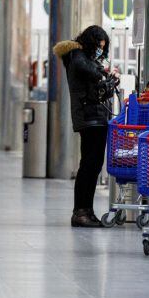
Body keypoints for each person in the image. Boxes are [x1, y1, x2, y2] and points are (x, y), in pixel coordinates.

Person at [54, 25, 118, 228]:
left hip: (94, 117)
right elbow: (90, 72)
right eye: (98, 46)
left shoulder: (81, 57)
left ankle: (86, 211)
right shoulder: (78, 57)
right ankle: (81, 212)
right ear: (90, 43)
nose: (101, 50)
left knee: (92, 166)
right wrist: (105, 74)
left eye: (103, 47)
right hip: (90, 118)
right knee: (89, 166)